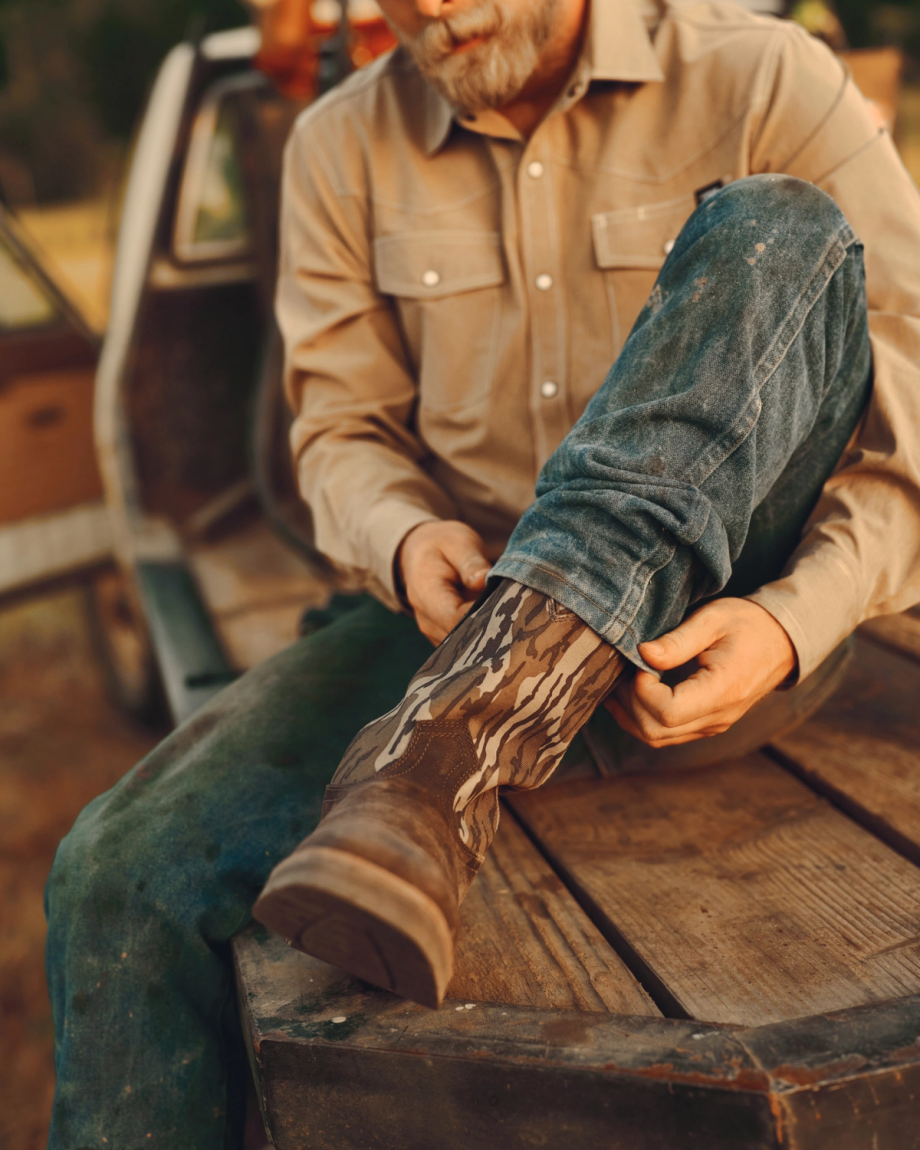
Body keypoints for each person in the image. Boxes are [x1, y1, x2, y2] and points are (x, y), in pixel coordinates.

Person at [45, 0, 920, 1146]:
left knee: (776, 226)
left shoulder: (762, 78)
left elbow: (907, 419)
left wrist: (790, 621)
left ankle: (445, 753)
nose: (428, 3)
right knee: (117, 873)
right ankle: (469, 717)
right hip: (446, 627)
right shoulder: (337, 143)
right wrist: (405, 536)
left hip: (718, 619)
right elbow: (337, 432)